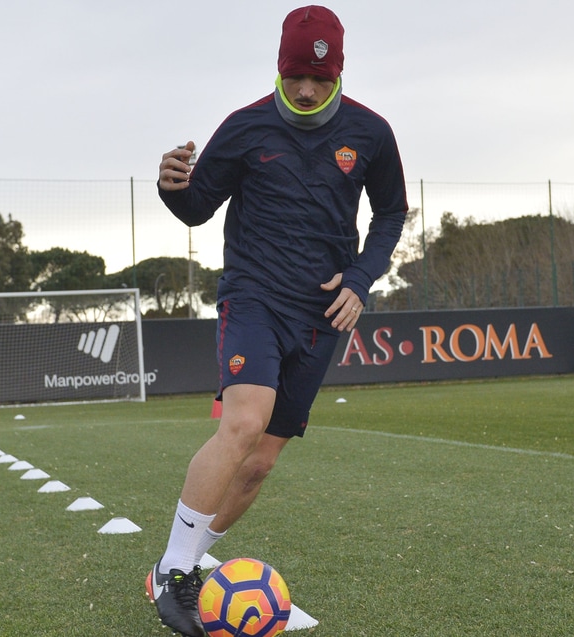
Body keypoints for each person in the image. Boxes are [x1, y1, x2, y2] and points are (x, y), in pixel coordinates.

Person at [146, 6, 408, 635]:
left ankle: (183, 561)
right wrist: (172, 187)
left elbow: (392, 213)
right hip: (253, 295)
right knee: (243, 420)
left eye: (320, 78)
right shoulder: (245, 128)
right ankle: (176, 574)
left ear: (338, 72)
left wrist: (361, 278)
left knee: (260, 462)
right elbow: (196, 209)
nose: (308, 90)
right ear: (280, 68)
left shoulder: (371, 133)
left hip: (321, 313)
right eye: (296, 77)